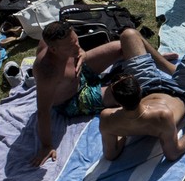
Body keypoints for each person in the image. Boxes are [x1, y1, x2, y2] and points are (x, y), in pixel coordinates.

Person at [31, 23, 161, 166]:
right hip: (73, 99)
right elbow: (43, 112)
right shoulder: (47, 72)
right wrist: (46, 145)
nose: (75, 46)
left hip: (81, 69)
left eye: (76, 40)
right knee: (124, 91)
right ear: (54, 49)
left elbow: (76, 48)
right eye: (70, 46)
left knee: (124, 45)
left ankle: (160, 61)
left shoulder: (64, 42)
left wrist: (81, 53)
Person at [98, 28, 185, 163]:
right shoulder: (162, 116)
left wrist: (122, 132)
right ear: (138, 88)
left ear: (117, 101)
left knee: (129, 34)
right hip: (183, 91)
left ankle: (169, 68)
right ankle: (175, 71)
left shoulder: (108, 118)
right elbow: (173, 153)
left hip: (149, 86)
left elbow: (111, 154)